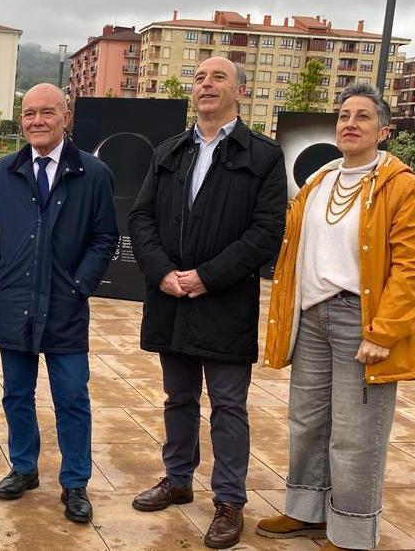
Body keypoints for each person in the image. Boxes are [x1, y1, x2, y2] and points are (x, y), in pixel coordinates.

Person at [256, 82, 415, 550]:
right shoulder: (319, 182)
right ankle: (305, 510)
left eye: (363, 116)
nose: (350, 124)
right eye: (344, 116)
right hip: (311, 317)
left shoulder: (403, 187)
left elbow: (412, 268)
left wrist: (384, 332)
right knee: (307, 422)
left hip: (360, 321)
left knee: (356, 431)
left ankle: (352, 530)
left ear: (383, 131)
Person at [127, 56, 287, 549]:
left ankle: (229, 501)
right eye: (199, 77)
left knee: (228, 405)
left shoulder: (263, 155)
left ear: (240, 91)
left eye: (218, 77)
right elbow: (141, 217)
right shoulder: (169, 151)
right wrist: (163, 273)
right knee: (178, 398)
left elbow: (267, 231)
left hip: (225, 303)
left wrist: (206, 277)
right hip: (171, 298)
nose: (206, 84)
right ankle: (177, 479)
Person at [0, 83, 118, 524]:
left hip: (64, 306)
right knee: (16, 394)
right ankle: (24, 467)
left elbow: (105, 237)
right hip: (13, 301)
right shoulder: (5, 170)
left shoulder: (93, 173)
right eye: (29, 113)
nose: (37, 121)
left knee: (72, 396)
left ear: (66, 117)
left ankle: (75, 482)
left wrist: (81, 285)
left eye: (47, 112)